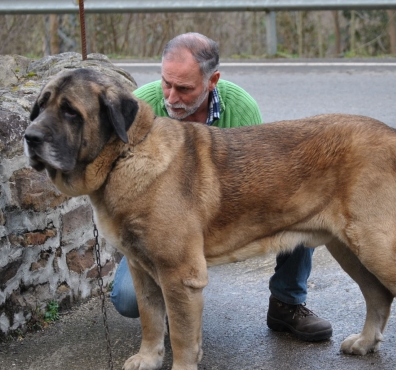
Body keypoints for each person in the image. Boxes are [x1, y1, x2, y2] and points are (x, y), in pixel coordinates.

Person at [110, 32, 332, 342]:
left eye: (184, 89)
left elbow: (263, 185)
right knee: (126, 298)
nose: (171, 98)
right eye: (166, 83)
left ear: (212, 80)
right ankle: (172, 313)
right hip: (159, 228)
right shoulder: (139, 106)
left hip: (225, 215)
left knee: (297, 201)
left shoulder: (241, 108)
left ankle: (287, 304)